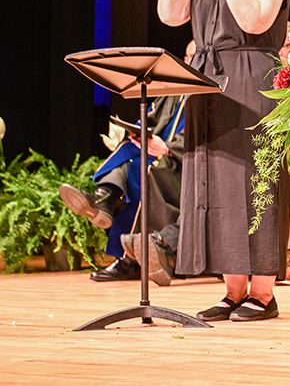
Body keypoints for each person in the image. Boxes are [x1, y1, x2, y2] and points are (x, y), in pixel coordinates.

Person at [158, 0, 290, 322]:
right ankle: (233, 290)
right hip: (209, 80)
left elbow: (255, 18)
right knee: (216, 185)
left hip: (254, 80)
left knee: (255, 182)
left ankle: (264, 293)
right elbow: (171, 14)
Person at [59, 41, 194, 284]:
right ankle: (107, 202)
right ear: (184, 60)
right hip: (157, 156)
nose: (193, 61)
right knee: (133, 155)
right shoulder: (171, 91)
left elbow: (208, 139)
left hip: (185, 166)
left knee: (139, 169)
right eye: (190, 56)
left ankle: (106, 202)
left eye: (199, 56)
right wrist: (140, 132)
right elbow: (150, 118)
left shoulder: (209, 95)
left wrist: (168, 148)